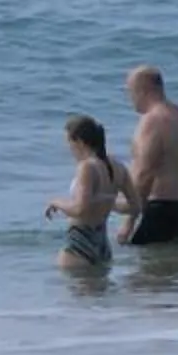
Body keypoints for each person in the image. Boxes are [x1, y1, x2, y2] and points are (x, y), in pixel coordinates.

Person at [121, 65, 178, 246]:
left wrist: (129, 221)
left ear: (143, 90)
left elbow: (144, 173)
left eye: (130, 91)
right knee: (171, 271)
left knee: (143, 273)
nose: (130, 98)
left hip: (160, 210)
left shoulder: (151, 121)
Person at [44, 115, 134, 271]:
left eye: (70, 144)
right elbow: (135, 206)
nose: (70, 150)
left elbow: (80, 209)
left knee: (71, 291)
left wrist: (56, 202)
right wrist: (107, 201)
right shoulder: (118, 167)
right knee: (100, 293)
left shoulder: (87, 167)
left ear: (79, 142)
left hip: (80, 241)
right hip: (102, 244)